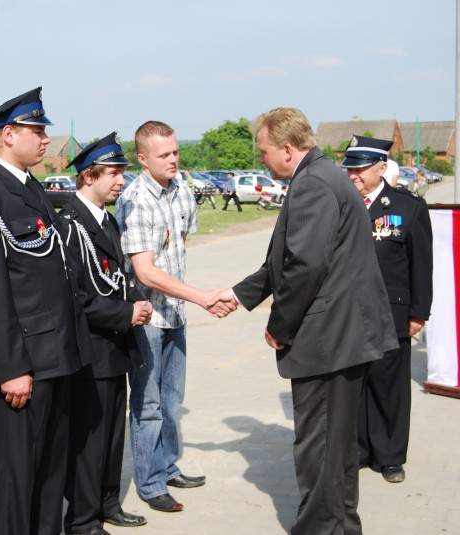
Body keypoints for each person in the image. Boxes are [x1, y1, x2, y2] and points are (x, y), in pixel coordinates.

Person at [211, 108, 398, 534]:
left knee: (319, 449)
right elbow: (289, 259)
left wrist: (280, 326)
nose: (262, 160)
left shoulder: (312, 183)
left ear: (287, 149)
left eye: (264, 152)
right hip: (343, 336)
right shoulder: (320, 175)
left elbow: (305, 266)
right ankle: (342, 526)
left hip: (328, 341)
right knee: (337, 450)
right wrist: (240, 294)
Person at [0, 87, 92, 535]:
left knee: (51, 475)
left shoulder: (30, 189)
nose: (45, 138)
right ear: (8, 135)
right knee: (18, 478)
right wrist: (11, 366)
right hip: (23, 366)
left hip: (56, 358)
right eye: (37, 130)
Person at [114, 121, 233, 513]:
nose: (173, 160)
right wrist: (200, 297)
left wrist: (186, 300)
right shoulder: (136, 199)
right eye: (164, 155)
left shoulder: (180, 188)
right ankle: (150, 483)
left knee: (171, 399)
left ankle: (167, 466)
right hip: (147, 316)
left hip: (175, 312)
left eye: (176, 152)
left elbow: (178, 244)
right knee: (147, 404)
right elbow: (145, 272)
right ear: (143, 159)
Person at [59, 133, 152, 535]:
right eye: (113, 173)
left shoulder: (106, 220)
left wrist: (137, 303)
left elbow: (116, 278)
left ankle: (107, 503)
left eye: (121, 173)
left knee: (113, 437)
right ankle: (82, 519)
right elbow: (75, 298)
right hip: (89, 352)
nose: (121, 182)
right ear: (87, 176)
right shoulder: (69, 225)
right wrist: (126, 312)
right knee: (89, 441)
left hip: (115, 347)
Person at [343, 135, 433, 484]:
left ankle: (391, 456)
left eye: (360, 167)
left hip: (391, 313)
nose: (353, 174)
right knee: (358, 386)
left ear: (381, 167)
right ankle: (362, 450)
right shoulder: (342, 203)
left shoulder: (407, 206)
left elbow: (420, 265)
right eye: (349, 166)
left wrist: (418, 312)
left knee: (390, 386)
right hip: (349, 313)